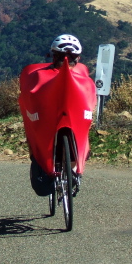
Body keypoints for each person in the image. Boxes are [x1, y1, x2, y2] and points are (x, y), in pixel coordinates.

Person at [18, 34, 97, 197]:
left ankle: (73, 171)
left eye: (71, 57)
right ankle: (69, 171)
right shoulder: (40, 75)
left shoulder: (82, 78)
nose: (67, 60)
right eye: (63, 57)